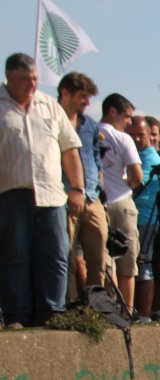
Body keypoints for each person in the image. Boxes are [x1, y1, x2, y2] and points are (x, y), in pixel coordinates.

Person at [0, 53, 84, 330]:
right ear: (9, 77)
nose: (32, 84)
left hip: (51, 196)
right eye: (26, 79)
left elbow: (69, 149)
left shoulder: (50, 105)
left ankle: (52, 311)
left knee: (56, 255)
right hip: (11, 194)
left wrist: (78, 188)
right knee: (15, 255)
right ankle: (16, 315)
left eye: (35, 78)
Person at [56, 71, 106, 306]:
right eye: (83, 97)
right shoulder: (51, 118)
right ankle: (70, 306)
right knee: (68, 260)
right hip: (62, 198)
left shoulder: (90, 125)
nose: (88, 103)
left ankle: (97, 308)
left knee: (98, 260)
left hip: (92, 199)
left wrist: (99, 187)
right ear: (66, 93)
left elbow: (96, 158)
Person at [99, 93, 143, 308]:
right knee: (127, 264)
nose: (129, 122)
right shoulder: (123, 138)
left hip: (99, 204)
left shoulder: (88, 132)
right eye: (126, 117)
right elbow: (137, 176)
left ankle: (111, 308)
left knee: (106, 264)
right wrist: (128, 183)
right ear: (113, 112)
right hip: (122, 203)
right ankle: (127, 310)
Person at [127, 116, 160, 320]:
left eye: (140, 135)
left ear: (150, 134)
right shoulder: (138, 154)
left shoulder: (149, 157)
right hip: (140, 218)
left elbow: (134, 181)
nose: (136, 139)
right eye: (132, 135)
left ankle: (144, 315)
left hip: (145, 220)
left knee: (144, 267)